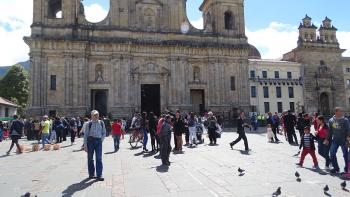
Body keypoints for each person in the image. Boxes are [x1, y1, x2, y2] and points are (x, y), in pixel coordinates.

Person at [325, 107, 350, 174]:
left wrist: (348, 140)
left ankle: (347, 169)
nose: (342, 112)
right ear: (336, 112)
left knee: (345, 155)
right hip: (335, 139)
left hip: (343, 140)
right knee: (332, 153)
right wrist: (327, 139)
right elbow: (329, 131)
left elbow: (348, 130)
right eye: (340, 111)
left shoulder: (345, 120)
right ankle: (336, 168)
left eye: (342, 111)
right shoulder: (331, 120)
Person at [84, 110, 106, 181]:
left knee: (99, 158)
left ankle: (99, 175)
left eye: (97, 115)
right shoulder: (88, 124)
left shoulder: (102, 123)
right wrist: (85, 145)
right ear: (92, 116)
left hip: (98, 142)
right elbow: (85, 135)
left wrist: (101, 140)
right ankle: (91, 174)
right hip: (90, 142)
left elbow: (104, 132)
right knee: (90, 158)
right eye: (94, 115)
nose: (96, 116)